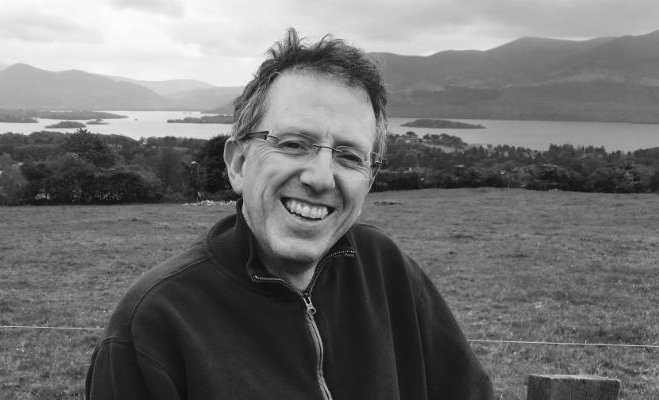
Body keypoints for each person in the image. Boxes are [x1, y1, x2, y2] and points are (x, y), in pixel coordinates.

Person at [86, 28, 494, 400]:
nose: (321, 178)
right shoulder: (153, 326)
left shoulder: (386, 270)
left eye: (349, 156)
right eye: (295, 144)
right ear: (239, 164)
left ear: (368, 181)